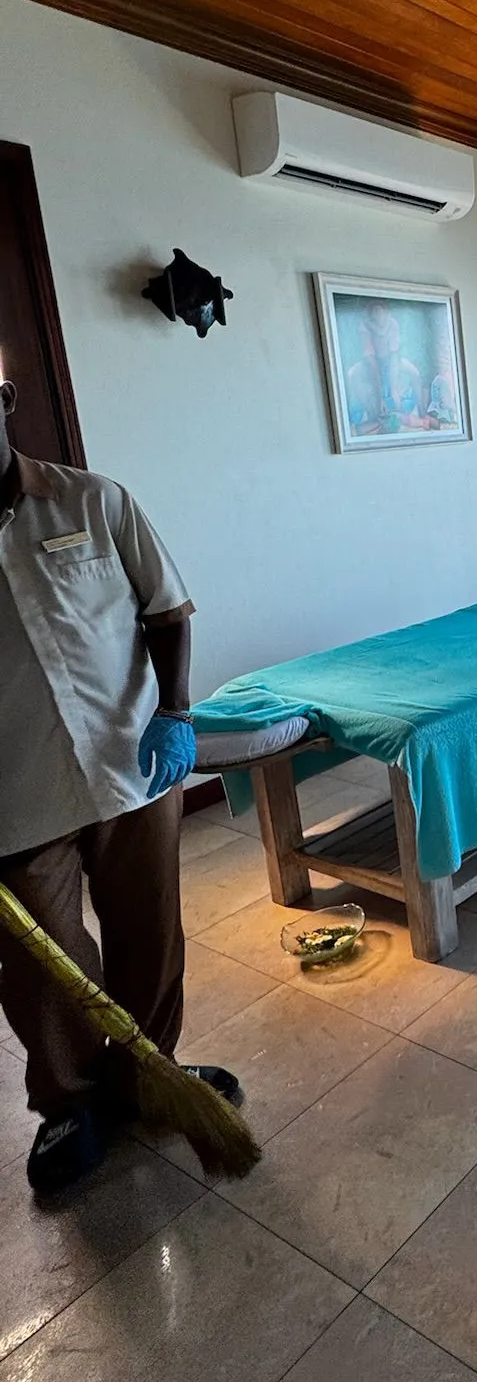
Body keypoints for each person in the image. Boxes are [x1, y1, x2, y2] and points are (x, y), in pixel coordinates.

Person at [0, 375, 241, 1193]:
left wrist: (175, 712)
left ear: (5, 400)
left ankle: (149, 1073)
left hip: (132, 762)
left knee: (150, 929)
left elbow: (166, 612)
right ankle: (69, 1102)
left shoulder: (94, 502)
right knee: (42, 963)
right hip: (15, 790)